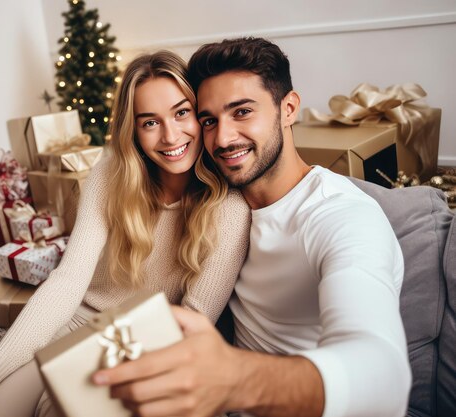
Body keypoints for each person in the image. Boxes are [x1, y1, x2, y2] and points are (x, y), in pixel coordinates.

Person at [93, 37, 412, 417]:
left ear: (288, 108)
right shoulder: (216, 195)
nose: (223, 139)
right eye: (209, 120)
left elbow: (383, 377)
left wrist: (236, 379)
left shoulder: (341, 217)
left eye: (242, 112)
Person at [0, 51, 250, 417]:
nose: (171, 136)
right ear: (132, 130)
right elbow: (68, 281)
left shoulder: (230, 206)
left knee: (57, 409)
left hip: (145, 341)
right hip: (78, 320)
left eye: (181, 113)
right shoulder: (109, 175)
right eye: (149, 122)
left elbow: (193, 318)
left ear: (199, 115)